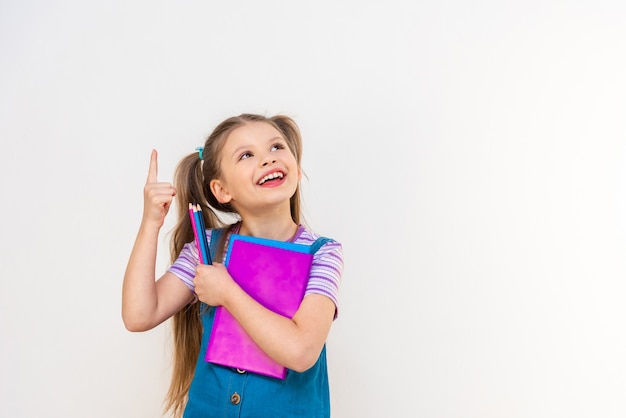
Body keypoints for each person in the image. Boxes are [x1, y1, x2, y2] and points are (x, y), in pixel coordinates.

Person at [122, 114, 344, 418]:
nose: (268, 159)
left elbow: (301, 351)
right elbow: (139, 314)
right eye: (247, 155)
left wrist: (227, 292)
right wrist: (150, 224)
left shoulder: (322, 254)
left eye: (277, 147)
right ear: (222, 191)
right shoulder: (208, 249)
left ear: (297, 167)